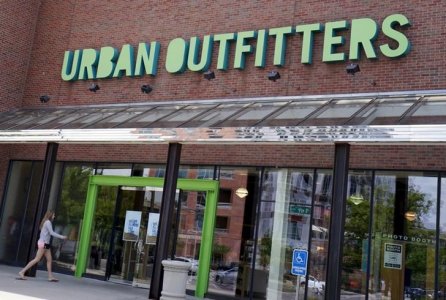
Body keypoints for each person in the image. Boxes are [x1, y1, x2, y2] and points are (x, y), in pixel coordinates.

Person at [17, 210, 67, 282]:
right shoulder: (48, 222)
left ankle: (50, 276)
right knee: (37, 259)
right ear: (50, 215)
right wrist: (62, 237)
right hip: (43, 243)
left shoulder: (46, 222)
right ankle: (22, 271)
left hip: (45, 244)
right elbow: (51, 233)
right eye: (53, 215)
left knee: (49, 260)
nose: (54, 216)